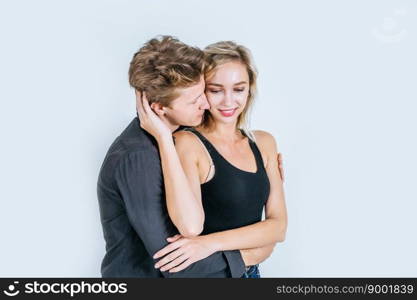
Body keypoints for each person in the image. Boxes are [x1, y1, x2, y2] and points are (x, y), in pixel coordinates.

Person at [97, 35, 284, 277]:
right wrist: (251, 253)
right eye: (205, 94)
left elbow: (277, 226)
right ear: (159, 108)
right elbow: (176, 253)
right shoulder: (140, 156)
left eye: (239, 88)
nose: (207, 103)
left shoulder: (187, 135)